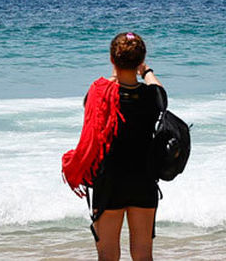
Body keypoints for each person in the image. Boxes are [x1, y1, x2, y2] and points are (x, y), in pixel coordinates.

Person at [62, 32, 166, 261]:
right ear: (140, 61)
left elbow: (89, 104)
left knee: (108, 256)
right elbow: (161, 94)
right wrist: (146, 71)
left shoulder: (99, 93)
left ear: (112, 60)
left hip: (109, 181)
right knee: (143, 255)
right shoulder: (152, 97)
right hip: (143, 179)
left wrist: (115, 75)